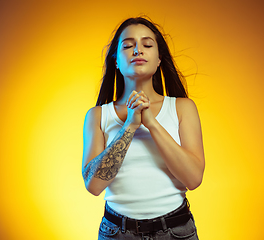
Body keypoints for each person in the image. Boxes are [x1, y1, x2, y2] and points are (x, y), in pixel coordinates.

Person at [82, 16, 205, 240]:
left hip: (176, 231)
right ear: (116, 60)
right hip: (117, 233)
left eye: (147, 45)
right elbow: (94, 185)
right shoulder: (98, 116)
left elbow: (194, 179)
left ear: (159, 59)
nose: (138, 50)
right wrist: (129, 126)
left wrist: (151, 123)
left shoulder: (182, 108)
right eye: (128, 46)